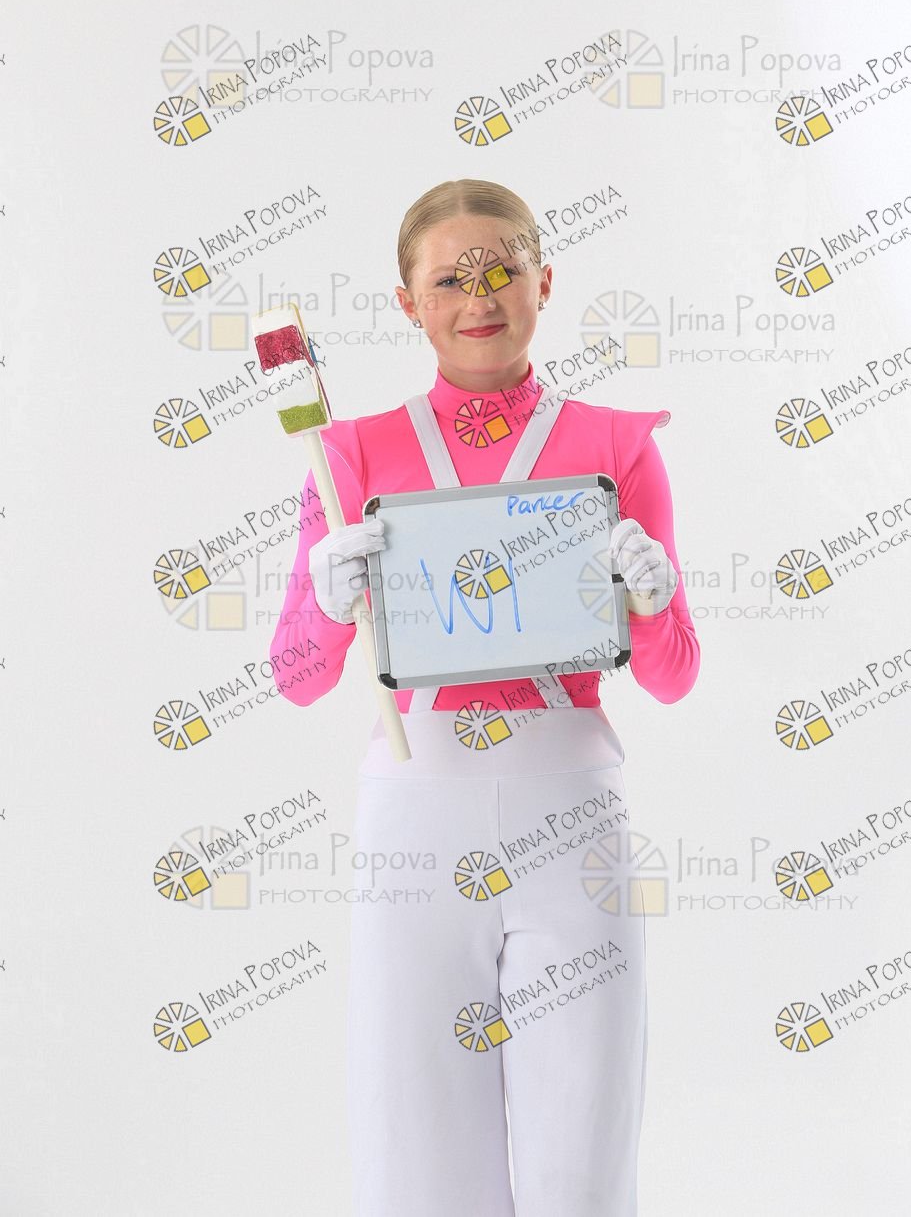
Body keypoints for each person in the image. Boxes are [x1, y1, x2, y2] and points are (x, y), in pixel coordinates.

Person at [269, 178, 700, 1217]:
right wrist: (328, 599)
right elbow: (297, 677)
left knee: (582, 1146)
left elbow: (674, 675)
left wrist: (652, 598)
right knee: (415, 1143)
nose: (479, 297)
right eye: (448, 280)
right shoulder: (346, 454)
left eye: (502, 269)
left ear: (544, 282)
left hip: (571, 809)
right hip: (417, 802)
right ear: (406, 302)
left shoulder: (617, 445)